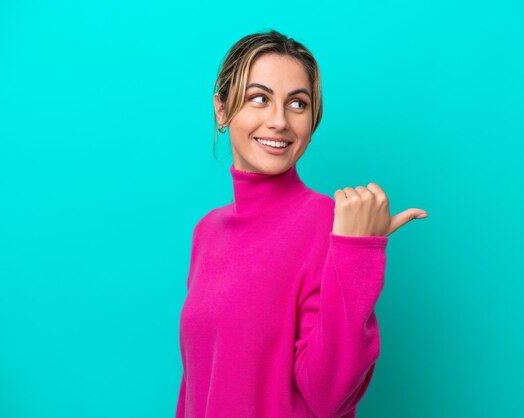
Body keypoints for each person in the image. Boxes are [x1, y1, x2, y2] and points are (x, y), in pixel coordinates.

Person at [175, 29, 428, 418]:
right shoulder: (207, 232)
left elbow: (329, 395)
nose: (279, 121)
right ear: (222, 110)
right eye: (259, 98)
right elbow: (196, 388)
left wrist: (357, 255)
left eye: (297, 103)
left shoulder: (330, 224)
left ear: (313, 119)